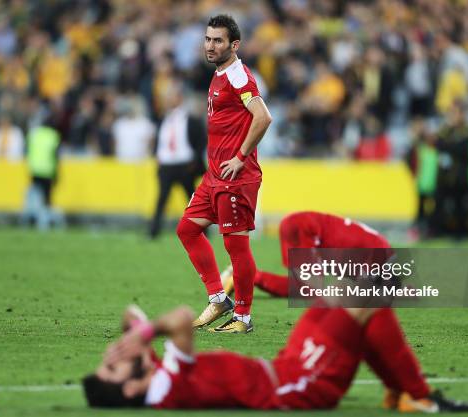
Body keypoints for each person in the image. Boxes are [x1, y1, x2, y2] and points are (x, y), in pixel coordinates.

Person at [82, 304, 468, 413]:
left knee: (338, 290)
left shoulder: (152, 371)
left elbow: (130, 311)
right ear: (131, 387)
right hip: (302, 385)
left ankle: (397, 391)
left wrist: (131, 333)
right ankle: (420, 395)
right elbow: (183, 318)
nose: (118, 356)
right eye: (114, 366)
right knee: (367, 300)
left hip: (288, 364)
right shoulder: (167, 389)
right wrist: (145, 332)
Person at [175, 15, 272, 333]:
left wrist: (241, 156)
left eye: (218, 40)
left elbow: (263, 117)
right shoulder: (218, 75)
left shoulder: (240, 77)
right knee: (187, 229)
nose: (210, 46)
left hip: (236, 178)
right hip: (214, 176)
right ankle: (219, 298)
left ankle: (243, 317)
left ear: (234, 44)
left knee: (237, 247)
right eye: (207, 39)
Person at [221, 211, 390, 298]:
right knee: (310, 289)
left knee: (304, 288)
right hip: (305, 227)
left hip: (300, 225)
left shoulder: (377, 249)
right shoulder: (380, 253)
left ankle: (245, 276)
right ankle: (249, 276)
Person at [149, 80, 206, 239]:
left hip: (185, 165)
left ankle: (203, 230)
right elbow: (160, 142)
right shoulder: (163, 119)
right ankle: (153, 231)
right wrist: (158, 157)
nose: (168, 100)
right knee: (162, 199)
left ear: (180, 98)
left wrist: (194, 161)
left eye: (171, 96)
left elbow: (201, 141)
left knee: (192, 200)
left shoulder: (190, 119)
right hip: (167, 165)